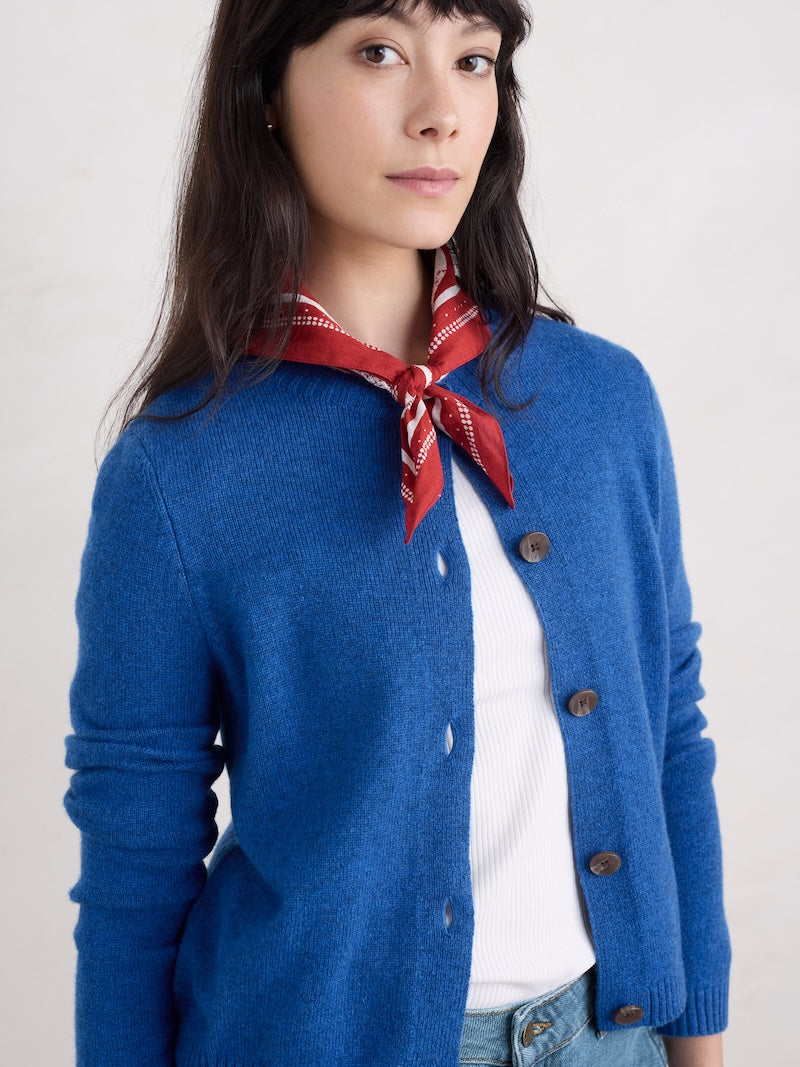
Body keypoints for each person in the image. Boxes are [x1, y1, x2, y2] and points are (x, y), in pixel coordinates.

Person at [63, 1, 731, 1065]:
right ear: (267, 91)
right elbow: (136, 859)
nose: (440, 112)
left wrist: (694, 1041)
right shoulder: (178, 473)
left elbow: (668, 734)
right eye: (379, 52)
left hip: (610, 1036)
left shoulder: (601, 402)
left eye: (473, 60)